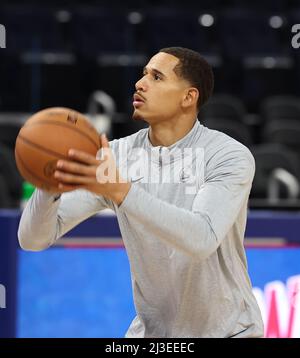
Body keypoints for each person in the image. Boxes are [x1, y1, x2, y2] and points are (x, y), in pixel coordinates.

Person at [18, 47, 264, 338]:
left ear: (189, 97)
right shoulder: (117, 155)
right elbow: (32, 240)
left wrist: (120, 190)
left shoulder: (227, 155)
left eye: (157, 77)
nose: (140, 83)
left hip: (229, 332)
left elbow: (202, 238)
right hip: (152, 335)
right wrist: (51, 184)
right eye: (143, 74)